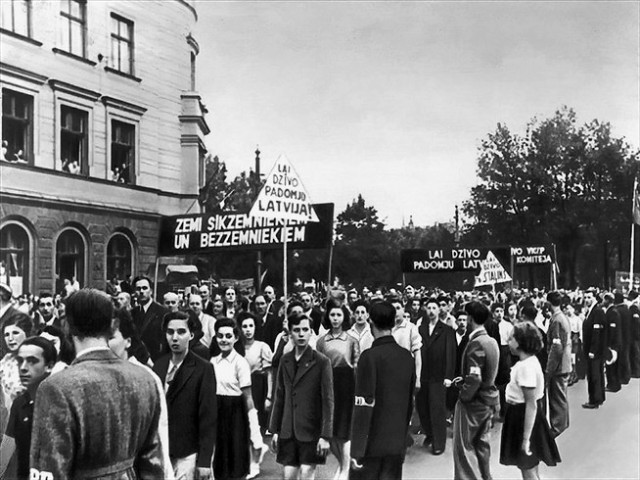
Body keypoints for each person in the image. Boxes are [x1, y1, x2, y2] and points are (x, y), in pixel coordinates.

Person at [29, 289, 166, 478]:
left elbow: (49, 468)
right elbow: (154, 464)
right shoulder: (145, 378)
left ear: (68, 327)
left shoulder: (56, 387)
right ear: (110, 326)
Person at [349, 301, 415, 480]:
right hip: (396, 441)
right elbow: (410, 402)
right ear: (393, 323)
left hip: (371, 445)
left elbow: (363, 404)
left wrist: (356, 449)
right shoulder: (407, 357)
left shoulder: (368, 357)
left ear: (371, 323)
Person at [107, 308, 173, 479]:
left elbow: (159, 441)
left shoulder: (146, 379)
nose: (104, 346)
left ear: (128, 341)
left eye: (110, 338)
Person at [152, 311, 217, 480]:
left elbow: (208, 418)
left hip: (188, 452)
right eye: (170, 332)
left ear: (191, 335)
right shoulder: (159, 366)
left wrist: (204, 461)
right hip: (162, 451)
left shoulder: (203, 369)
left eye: (181, 332)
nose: (175, 337)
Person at [270, 312, 334, 480]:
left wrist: (326, 435)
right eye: (296, 330)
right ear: (290, 332)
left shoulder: (321, 362)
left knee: (306, 473)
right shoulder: (285, 360)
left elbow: (328, 401)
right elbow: (279, 396)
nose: (301, 334)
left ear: (311, 332)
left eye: (305, 329)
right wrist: (275, 429)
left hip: (311, 430)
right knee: (288, 475)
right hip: (288, 429)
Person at [500, 322, 561, 480]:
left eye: (512, 338)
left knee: (527, 469)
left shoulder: (525, 367)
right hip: (523, 416)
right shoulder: (528, 362)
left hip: (523, 418)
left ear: (521, 342)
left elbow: (531, 403)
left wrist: (526, 438)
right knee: (530, 467)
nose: (508, 340)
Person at [211, 317, 267, 480]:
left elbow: (248, 396)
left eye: (228, 336)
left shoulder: (240, 363)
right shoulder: (213, 361)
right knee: (219, 456)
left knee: (235, 457)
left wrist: (254, 427)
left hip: (235, 411)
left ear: (236, 338)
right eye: (220, 336)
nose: (224, 340)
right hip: (217, 408)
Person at [452, 301, 500, 480]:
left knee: (465, 450)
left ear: (470, 318)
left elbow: (475, 378)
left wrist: (463, 394)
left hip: (473, 403)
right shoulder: (491, 341)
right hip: (488, 400)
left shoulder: (476, 343)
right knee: (482, 446)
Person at [0, 337, 56, 479]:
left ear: (49, 365)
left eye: (32, 361)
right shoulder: (19, 403)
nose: (23, 367)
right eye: (20, 361)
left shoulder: (62, 402)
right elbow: (6, 449)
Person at [316, 299, 359, 480]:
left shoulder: (351, 340)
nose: (335, 319)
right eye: (332, 315)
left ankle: (346, 469)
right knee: (330, 430)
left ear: (344, 317)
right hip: (327, 383)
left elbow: (356, 367)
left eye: (338, 315)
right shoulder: (321, 341)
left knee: (344, 430)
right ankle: (342, 465)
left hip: (346, 385)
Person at [417, 297, 456, 455]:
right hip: (423, 373)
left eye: (435, 308)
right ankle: (430, 434)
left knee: (437, 409)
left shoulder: (447, 330)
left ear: (439, 310)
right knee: (423, 407)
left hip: (439, 375)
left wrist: (448, 376)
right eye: (429, 308)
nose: (432, 311)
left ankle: (439, 442)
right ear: (425, 310)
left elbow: (450, 354)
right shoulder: (420, 329)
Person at [239, 312, 274, 434]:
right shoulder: (237, 348)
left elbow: (270, 374)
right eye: (245, 326)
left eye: (251, 326)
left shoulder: (262, 347)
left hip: (258, 391)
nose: (248, 330)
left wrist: (268, 397)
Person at [545, 291, 572, 437]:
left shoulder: (556, 320)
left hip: (559, 365)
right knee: (561, 395)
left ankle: (557, 426)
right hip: (564, 363)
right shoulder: (562, 317)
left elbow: (556, 347)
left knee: (556, 397)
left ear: (549, 303)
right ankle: (563, 422)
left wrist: (549, 368)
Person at [132, 275, 169, 363]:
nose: (141, 291)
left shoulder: (163, 312)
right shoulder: (131, 313)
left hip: (156, 360)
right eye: (138, 289)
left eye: (145, 288)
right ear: (134, 292)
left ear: (151, 291)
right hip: (135, 362)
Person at [1, 313, 33, 411]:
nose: (10, 339)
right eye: (6, 335)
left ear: (27, 333)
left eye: (15, 333)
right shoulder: (5, 362)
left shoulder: (35, 358)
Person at [581, 290, 607, 408]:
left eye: (589, 297)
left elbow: (597, 333)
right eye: (585, 297)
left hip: (594, 350)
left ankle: (594, 400)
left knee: (594, 375)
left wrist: (592, 350)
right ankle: (599, 397)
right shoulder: (590, 311)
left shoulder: (597, 311)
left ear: (594, 298)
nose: (587, 299)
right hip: (592, 349)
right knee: (597, 373)